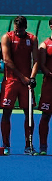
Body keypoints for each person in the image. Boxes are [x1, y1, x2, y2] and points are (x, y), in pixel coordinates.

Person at [0, 15, 39, 154]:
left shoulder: (32, 38)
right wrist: (22, 77)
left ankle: (28, 146)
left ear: (25, 27)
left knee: (29, 114)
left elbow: (36, 60)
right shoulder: (7, 37)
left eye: (21, 30)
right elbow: (7, 60)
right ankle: (6, 145)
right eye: (16, 30)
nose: (18, 32)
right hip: (11, 82)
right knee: (6, 113)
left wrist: (32, 77)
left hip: (26, 83)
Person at [36, 19, 52, 155]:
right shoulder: (45, 45)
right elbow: (42, 65)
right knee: (45, 116)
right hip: (49, 86)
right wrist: (48, 72)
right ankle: (43, 147)